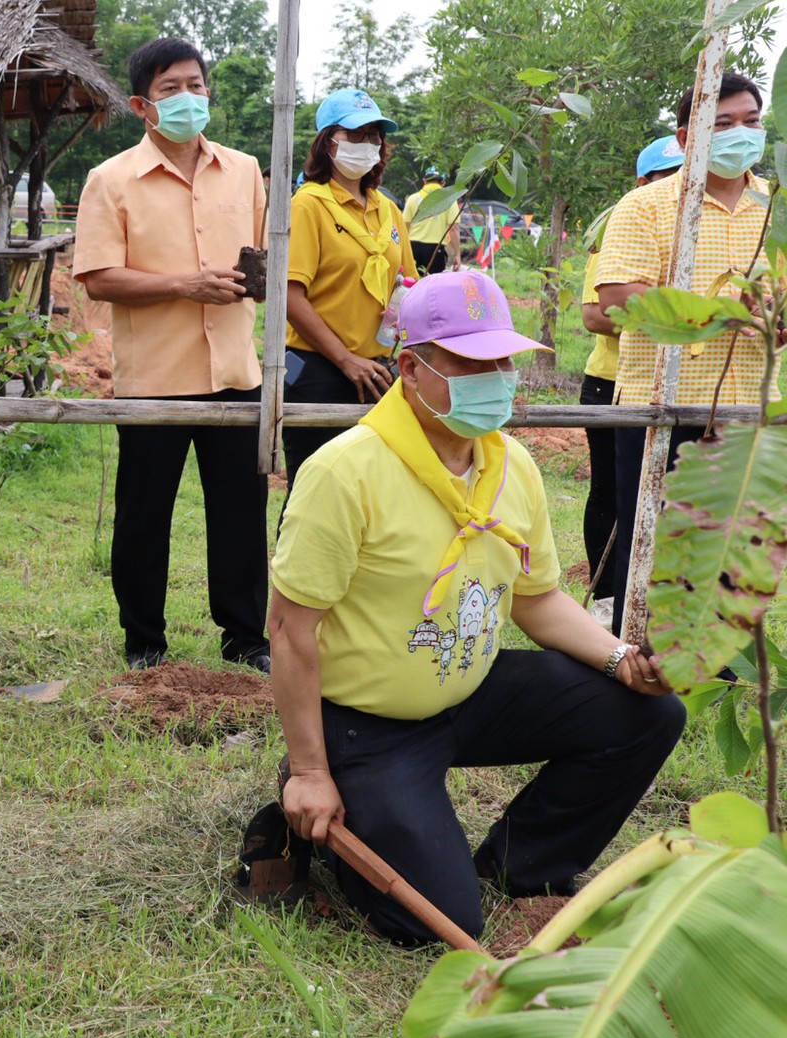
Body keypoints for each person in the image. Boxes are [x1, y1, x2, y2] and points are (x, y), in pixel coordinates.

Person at [269, 270, 686, 946]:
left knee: (647, 714)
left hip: (469, 687)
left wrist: (618, 659)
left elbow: (539, 599)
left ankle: (525, 863)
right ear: (410, 367)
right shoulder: (344, 472)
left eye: (503, 360)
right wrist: (313, 769)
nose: (497, 376)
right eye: (473, 362)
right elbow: (290, 631)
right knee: (438, 923)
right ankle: (306, 804)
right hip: (367, 721)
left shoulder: (510, 464)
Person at [73, 36, 270, 673]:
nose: (188, 98)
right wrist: (184, 285)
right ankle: (144, 644)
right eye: (170, 89)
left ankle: (246, 639)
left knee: (241, 514)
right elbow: (99, 277)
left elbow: (265, 259)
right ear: (141, 105)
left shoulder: (244, 170)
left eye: (195, 85)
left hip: (238, 373)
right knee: (143, 517)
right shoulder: (111, 181)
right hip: (155, 378)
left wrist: (257, 279)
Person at [595, 71, 770, 631]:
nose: (740, 134)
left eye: (750, 121)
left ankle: (715, 672)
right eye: (722, 125)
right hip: (661, 409)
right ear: (684, 138)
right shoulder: (647, 205)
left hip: (748, 410)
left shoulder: (776, 206)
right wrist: (719, 312)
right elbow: (619, 296)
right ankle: (638, 662)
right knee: (655, 544)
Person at [282, 89, 418, 489]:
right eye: (355, 135)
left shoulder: (387, 209)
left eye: (374, 135)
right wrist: (344, 359)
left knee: (372, 492)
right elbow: (290, 297)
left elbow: (407, 281)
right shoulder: (308, 204)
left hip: (377, 370)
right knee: (316, 489)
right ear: (328, 142)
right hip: (318, 371)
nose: (367, 144)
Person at [577, 135, 683, 624]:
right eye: (665, 176)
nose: (676, 184)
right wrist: (675, 315)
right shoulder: (625, 229)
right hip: (613, 381)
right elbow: (598, 315)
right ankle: (609, 602)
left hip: (682, 386)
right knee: (613, 497)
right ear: (643, 182)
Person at [403, 167, 462, 275]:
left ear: (424, 181)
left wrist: (402, 250)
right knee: (434, 287)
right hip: (435, 250)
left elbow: (404, 226)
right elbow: (453, 228)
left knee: (412, 284)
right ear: (443, 183)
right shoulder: (449, 200)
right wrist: (457, 254)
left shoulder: (412, 199)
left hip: (412, 248)